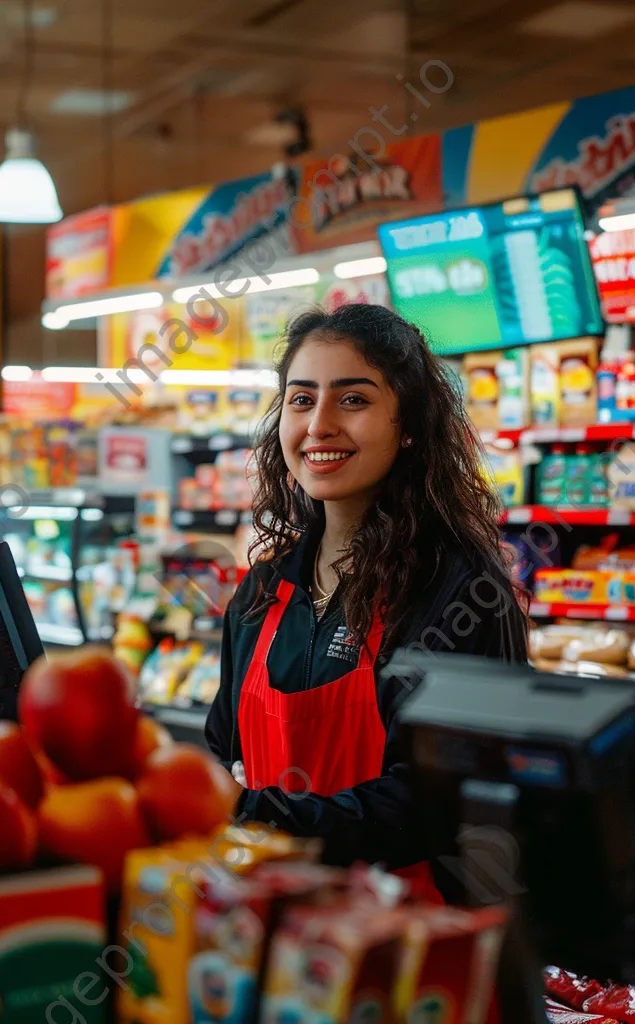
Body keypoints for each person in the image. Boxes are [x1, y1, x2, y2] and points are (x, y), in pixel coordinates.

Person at [206, 304, 528, 899]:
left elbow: (440, 807)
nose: (319, 424)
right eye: (301, 400)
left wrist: (256, 814)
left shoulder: (458, 592)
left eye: (352, 400)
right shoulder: (262, 592)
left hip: (413, 948)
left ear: (408, 424)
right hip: (273, 939)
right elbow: (226, 751)